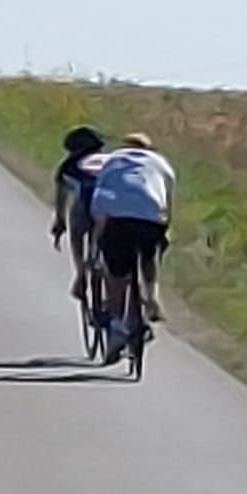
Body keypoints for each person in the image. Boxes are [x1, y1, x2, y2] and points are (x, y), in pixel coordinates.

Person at [88, 131, 175, 363]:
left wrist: (98, 239)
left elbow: (101, 196)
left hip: (118, 216)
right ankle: (151, 296)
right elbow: (168, 201)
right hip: (151, 215)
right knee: (150, 255)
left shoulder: (113, 160)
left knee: (116, 272)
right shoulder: (161, 164)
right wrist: (165, 230)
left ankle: (116, 324)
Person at [50, 126, 107, 301]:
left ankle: (81, 273)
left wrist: (60, 222)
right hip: (111, 208)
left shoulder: (68, 166)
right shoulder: (112, 160)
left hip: (85, 207)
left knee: (76, 231)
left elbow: (62, 198)